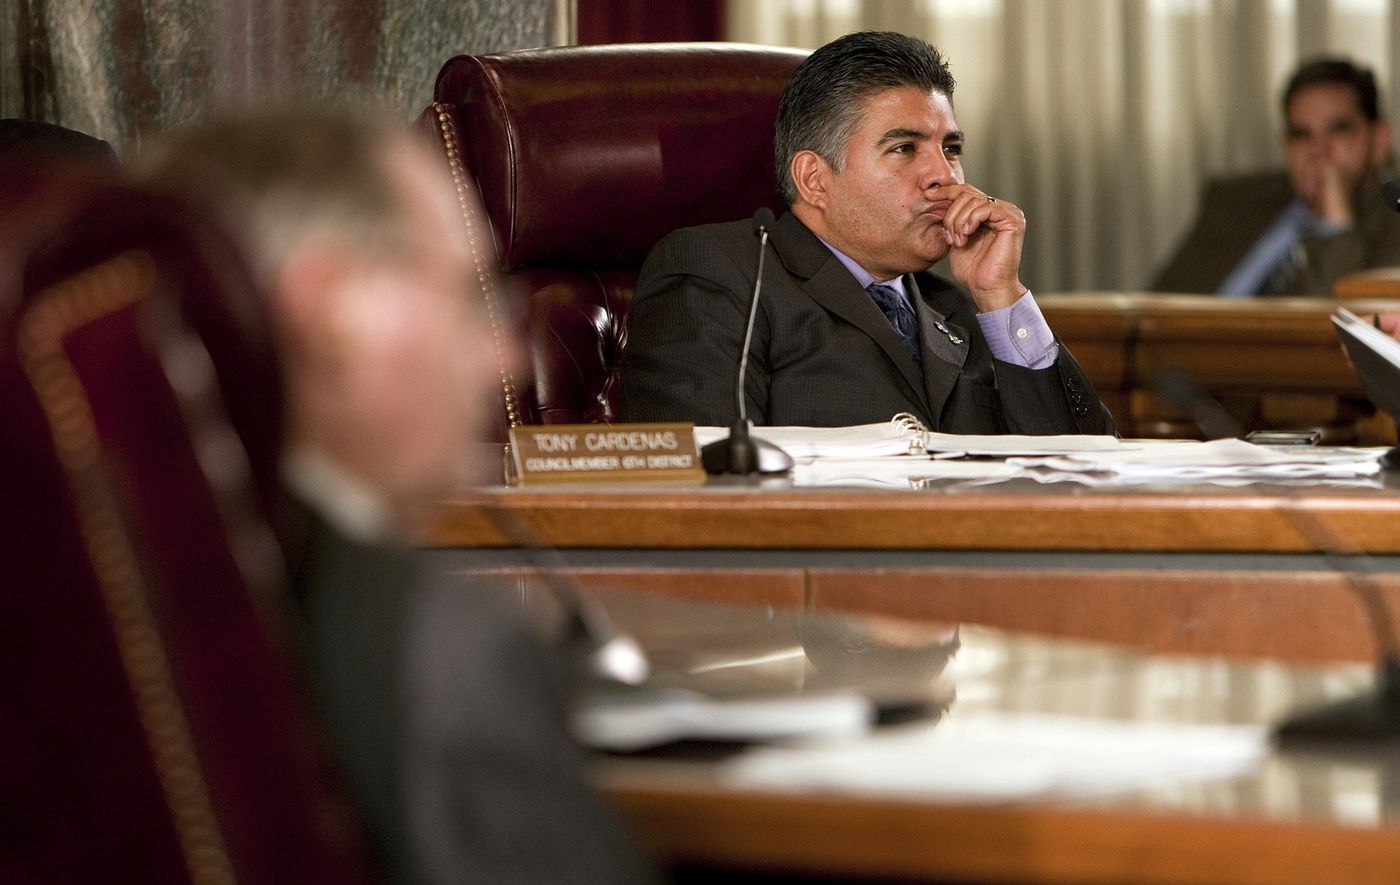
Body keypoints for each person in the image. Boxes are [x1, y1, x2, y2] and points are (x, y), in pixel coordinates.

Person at [140, 109, 651, 883]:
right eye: (464, 294)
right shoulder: (437, 642)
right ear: (331, 311)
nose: (504, 358)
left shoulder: (106, 584)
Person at [621, 31, 1113, 434]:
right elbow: (699, 489)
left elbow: (1086, 469)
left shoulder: (962, 307)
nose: (946, 176)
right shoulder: (724, 274)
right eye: (904, 148)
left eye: (952, 148)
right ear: (815, 179)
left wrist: (1002, 296)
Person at [1153, 57, 1400, 296]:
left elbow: (1344, 324)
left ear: (1379, 141)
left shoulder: (1392, 223)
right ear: (1285, 145)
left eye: (1339, 130)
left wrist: (1334, 223)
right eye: (1301, 135)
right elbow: (1159, 305)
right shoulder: (1232, 201)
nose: (1317, 150)